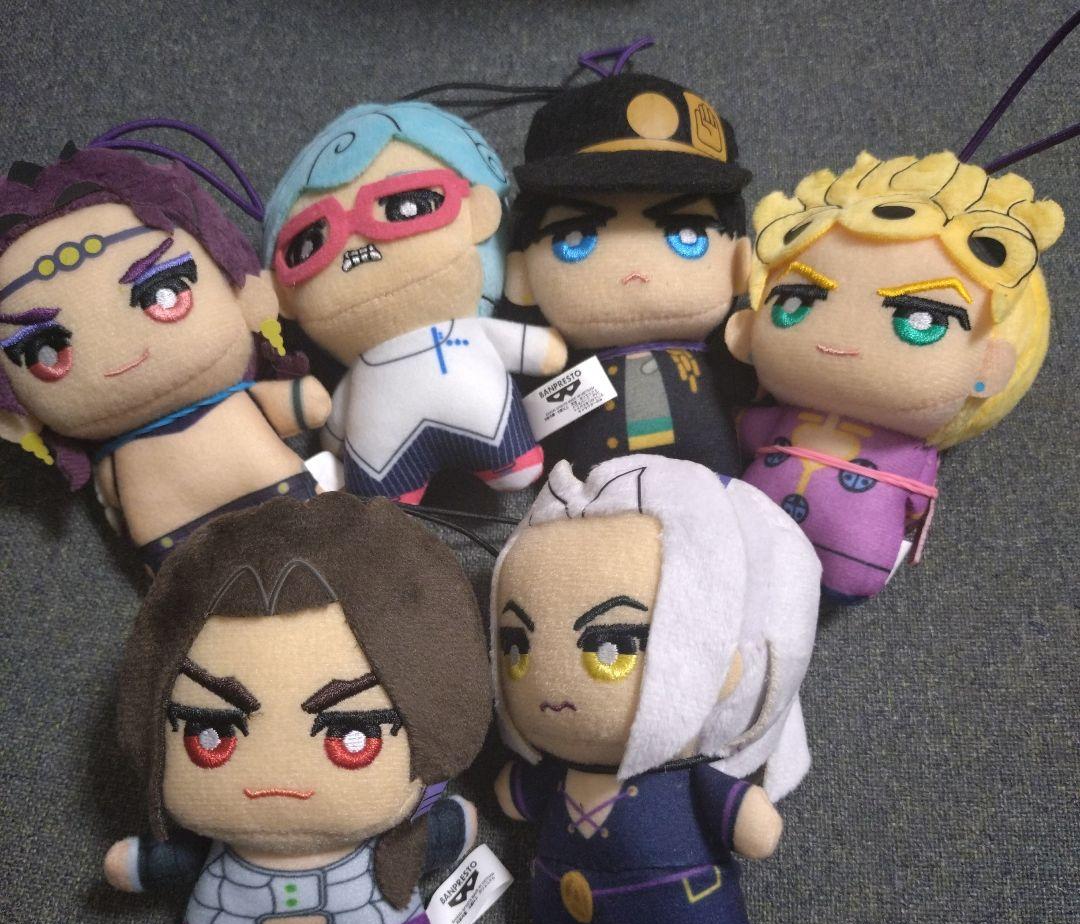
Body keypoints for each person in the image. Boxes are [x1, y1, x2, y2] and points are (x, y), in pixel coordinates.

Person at [103, 493, 492, 924]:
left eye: (353, 737)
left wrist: (448, 826)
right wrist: (143, 864)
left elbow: (440, 833)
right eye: (210, 734)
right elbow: (173, 860)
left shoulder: (401, 832)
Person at [490, 455, 821, 924]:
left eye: (612, 648)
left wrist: (744, 814)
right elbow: (521, 796)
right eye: (516, 649)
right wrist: (517, 789)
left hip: (680, 910)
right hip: (562, 904)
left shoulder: (683, 778)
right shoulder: (558, 769)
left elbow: (748, 826)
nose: (551, 685)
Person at [726, 150, 1064, 603]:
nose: (842, 338)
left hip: (841, 552)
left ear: (990, 366)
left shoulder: (907, 447)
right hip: (742, 533)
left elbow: (916, 495)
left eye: (922, 321)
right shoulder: (786, 415)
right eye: (796, 302)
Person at [0, 136, 330, 571]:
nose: (122, 352)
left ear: (242, 290)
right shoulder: (118, 457)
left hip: (243, 518)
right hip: (189, 544)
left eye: (165, 294)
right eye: (47, 352)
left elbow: (114, 506)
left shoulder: (117, 464)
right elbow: (311, 405)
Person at [263, 102, 566, 505]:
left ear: (480, 212)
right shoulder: (361, 370)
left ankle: (505, 461)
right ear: (282, 294)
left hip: (466, 422)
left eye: (406, 206)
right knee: (383, 508)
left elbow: (334, 433)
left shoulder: (465, 331)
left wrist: (333, 438)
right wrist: (332, 438)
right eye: (310, 243)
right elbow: (334, 429)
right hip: (391, 453)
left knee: (509, 464)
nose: (356, 246)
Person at [504, 68, 755, 474]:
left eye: (687, 235)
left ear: (741, 263)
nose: (635, 270)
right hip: (591, 496)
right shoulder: (558, 372)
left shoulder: (729, 355)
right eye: (575, 238)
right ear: (522, 276)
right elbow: (523, 422)